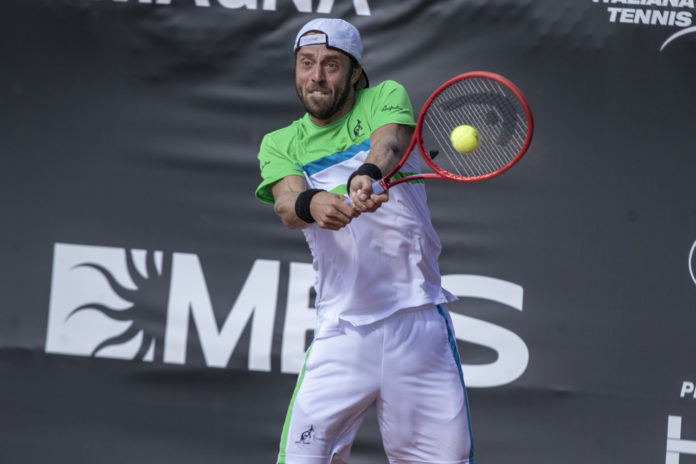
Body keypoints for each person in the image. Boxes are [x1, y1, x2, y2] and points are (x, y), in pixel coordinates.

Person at [255, 18, 474, 464]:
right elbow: (285, 203)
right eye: (306, 63)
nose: (316, 76)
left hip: (417, 327)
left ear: (355, 71)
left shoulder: (384, 97)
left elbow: (388, 144)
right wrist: (313, 204)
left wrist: (368, 175)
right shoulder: (279, 144)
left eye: (331, 65)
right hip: (342, 331)